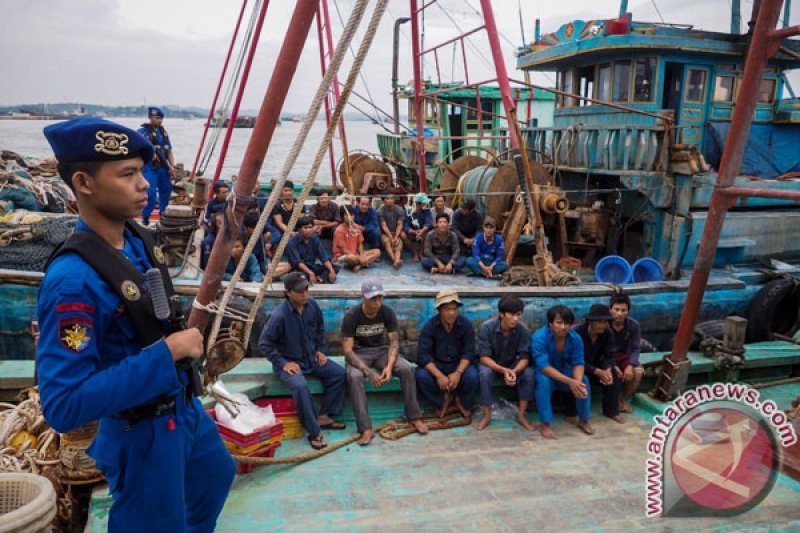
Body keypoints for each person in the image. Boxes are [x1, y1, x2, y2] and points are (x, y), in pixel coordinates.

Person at [37, 117, 234, 531]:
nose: (145, 184)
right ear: (84, 183)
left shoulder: (136, 239)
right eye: (128, 175)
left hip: (183, 409)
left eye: (142, 172)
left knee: (215, 476)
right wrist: (168, 353)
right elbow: (63, 406)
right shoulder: (73, 282)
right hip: (142, 431)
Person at [258, 272, 347, 450]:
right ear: (289, 292)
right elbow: (264, 344)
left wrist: (320, 350)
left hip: (311, 358)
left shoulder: (312, 306)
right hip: (289, 363)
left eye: (306, 289)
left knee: (339, 374)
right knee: (300, 386)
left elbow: (320, 330)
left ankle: (324, 416)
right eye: (300, 291)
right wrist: (283, 363)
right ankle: (314, 432)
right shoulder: (279, 316)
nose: (305, 294)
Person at [341, 279, 429, 445]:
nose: (377, 302)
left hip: (381, 351)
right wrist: (369, 372)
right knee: (354, 377)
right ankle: (365, 428)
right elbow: (347, 350)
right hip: (359, 353)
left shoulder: (387, 312)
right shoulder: (351, 316)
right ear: (363, 297)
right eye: (373, 298)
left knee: (407, 369)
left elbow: (394, 342)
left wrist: (388, 367)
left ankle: (414, 416)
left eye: (380, 297)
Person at [475, 295, 536, 431]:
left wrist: (513, 372)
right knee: (484, 373)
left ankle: (521, 414)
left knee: (529, 373)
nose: (515, 318)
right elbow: (484, 357)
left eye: (518, 314)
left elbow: (524, 358)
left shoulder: (523, 330)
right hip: (494, 366)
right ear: (501, 314)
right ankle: (487, 414)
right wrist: (503, 370)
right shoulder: (487, 328)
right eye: (511, 314)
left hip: (513, 368)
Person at [532, 304, 593, 439]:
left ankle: (584, 420)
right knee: (544, 382)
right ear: (550, 323)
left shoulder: (575, 338)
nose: (563, 327)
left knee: (584, 381)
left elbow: (578, 362)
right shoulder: (539, 337)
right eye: (559, 323)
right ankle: (545, 423)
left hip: (565, 371)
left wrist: (576, 382)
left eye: (567, 323)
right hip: (546, 372)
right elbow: (544, 367)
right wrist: (570, 381)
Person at [415, 290, 479, 420]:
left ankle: (461, 401)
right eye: (447, 309)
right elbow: (424, 355)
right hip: (437, 365)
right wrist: (439, 376)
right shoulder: (430, 326)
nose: (452, 313)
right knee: (421, 375)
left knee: (472, 376)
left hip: (458, 364)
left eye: (454, 309)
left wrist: (458, 373)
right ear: (439, 310)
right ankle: (443, 400)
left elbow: (468, 352)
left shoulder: (466, 325)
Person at [573, 304, 624, 424]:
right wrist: (596, 371)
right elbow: (575, 359)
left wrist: (607, 369)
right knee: (581, 379)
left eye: (606, 322)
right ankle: (577, 414)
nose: (605, 325)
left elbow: (609, 355)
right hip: (578, 367)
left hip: (597, 365)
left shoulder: (607, 333)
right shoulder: (577, 333)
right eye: (601, 322)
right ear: (591, 321)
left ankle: (611, 411)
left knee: (613, 376)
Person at [138, 107, 175, 225]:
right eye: (157, 118)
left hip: (163, 168)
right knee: (151, 195)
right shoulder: (142, 131)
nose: (160, 121)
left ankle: (163, 215)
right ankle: (145, 217)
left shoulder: (163, 132)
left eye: (161, 118)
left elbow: (169, 150)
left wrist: (172, 165)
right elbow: (139, 148)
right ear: (150, 117)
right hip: (150, 168)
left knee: (166, 191)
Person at [608, 293, 644, 413]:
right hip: (607, 356)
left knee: (638, 372)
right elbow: (601, 350)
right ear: (610, 309)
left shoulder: (633, 325)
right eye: (616, 309)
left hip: (624, 356)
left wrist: (630, 365)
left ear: (628, 311)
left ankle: (623, 401)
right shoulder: (604, 325)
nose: (619, 313)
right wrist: (612, 365)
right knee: (614, 374)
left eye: (623, 310)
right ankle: (613, 402)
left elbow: (636, 348)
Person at [286, 215, 339, 284]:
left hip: (312, 266)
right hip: (299, 269)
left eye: (310, 227)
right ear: (299, 229)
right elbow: (298, 262)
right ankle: (320, 278)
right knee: (299, 277)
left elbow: (324, 257)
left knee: (335, 267)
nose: (309, 230)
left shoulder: (314, 238)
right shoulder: (292, 242)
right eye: (305, 228)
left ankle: (319, 278)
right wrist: (310, 273)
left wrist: (331, 270)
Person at [378, 194, 405, 269]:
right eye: (387, 198)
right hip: (385, 233)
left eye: (392, 198)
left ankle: (396, 262)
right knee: (387, 242)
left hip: (396, 232)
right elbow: (384, 226)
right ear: (383, 201)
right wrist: (390, 237)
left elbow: (400, 224)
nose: (390, 200)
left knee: (398, 244)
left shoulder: (399, 209)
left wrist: (396, 237)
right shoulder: (380, 211)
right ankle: (395, 261)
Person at [403, 193, 433, 262]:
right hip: (411, 232)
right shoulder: (408, 211)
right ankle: (415, 253)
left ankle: (421, 253)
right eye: (423, 203)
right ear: (417, 204)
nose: (425, 204)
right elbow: (406, 225)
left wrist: (421, 231)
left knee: (426, 233)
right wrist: (414, 232)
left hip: (422, 232)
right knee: (403, 235)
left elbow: (429, 223)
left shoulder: (427, 211)